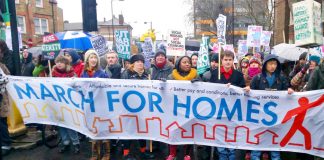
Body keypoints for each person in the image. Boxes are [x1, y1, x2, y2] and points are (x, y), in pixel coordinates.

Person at [247, 54, 294, 160]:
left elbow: (287, 90)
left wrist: (289, 91)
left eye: (275, 64)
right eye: (270, 63)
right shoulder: (257, 78)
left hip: (276, 117)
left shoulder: (282, 78)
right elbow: (249, 94)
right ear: (265, 65)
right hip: (259, 116)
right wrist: (248, 90)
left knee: (275, 146)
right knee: (256, 145)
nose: (273, 66)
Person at [208, 50, 245, 160]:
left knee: (232, 135)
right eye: (225, 60)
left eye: (230, 60)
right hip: (219, 111)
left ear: (233, 61)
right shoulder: (215, 74)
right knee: (220, 135)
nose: (228, 62)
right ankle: (223, 155)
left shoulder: (238, 75)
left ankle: (232, 155)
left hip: (233, 111)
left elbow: (242, 90)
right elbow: (210, 91)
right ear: (221, 61)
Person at [121, 54, 155, 160]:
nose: (140, 63)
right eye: (137, 62)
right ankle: (126, 153)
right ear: (133, 64)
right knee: (128, 130)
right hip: (129, 107)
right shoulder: (126, 74)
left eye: (141, 61)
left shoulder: (146, 75)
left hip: (143, 108)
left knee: (142, 130)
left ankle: (143, 151)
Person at [167, 55, 199, 160]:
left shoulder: (196, 76)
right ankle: (172, 153)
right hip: (175, 108)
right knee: (174, 129)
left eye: (189, 62)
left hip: (189, 108)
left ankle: (187, 153)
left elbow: (203, 91)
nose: (187, 64)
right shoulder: (171, 76)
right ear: (178, 64)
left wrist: (198, 84)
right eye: (184, 62)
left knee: (188, 130)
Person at [80, 50, 110, 160]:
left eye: (95, 57)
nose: (93, 60)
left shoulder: (102, 73)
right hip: (90, 105)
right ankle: (94, 153)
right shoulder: (83, 74)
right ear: (87, 60)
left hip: (101, 105)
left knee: (103, 127)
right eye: (91, 57)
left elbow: (108, 87)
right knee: (93, 128)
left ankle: (106, 153)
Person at [52, 55, 81, 154]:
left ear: (66, 64)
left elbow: (77, 88)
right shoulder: (53, 74)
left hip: (69, 103)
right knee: (61, 124)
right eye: (57, 62)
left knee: (70, 124)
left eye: (61, 62)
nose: (59, 64)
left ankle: (76, 142)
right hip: (57, 102)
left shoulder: (72, 74)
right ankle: (66, 143)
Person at [0, 61, 11, 156]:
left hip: (1, 98)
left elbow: (7, 78)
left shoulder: (2, 66)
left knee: (2, 122)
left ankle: (6, 144)